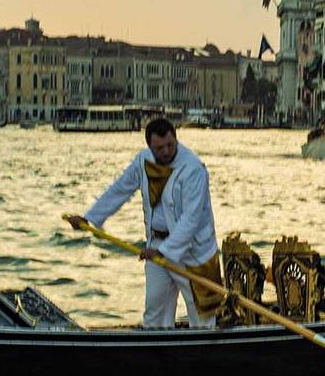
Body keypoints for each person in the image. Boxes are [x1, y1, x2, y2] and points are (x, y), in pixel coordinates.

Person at [68, 118, 221, 328]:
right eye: (160, 148)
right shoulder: (143, 160)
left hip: (194, 252)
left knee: (202, 317)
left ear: (176, 139)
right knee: (154, 314)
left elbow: (191, 219)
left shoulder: (193, 169)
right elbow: (120, 189)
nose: (167, 151)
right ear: (150, 146)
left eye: (170, 145)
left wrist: (165, 252)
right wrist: (90, 217)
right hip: (156, 245)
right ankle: (157, 353)